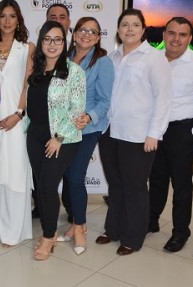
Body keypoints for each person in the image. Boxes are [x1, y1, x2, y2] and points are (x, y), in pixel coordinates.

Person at [95, 8, 171, 256]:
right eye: (124, 24)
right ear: (118, 30)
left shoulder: (153, 57)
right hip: (110, 131)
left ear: (143, 30)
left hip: (139, 136)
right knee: (115, 185)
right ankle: (113, 230)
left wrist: (154, 133)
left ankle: (133, 237)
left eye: (135, 25)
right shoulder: (112, 58)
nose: (129, 29)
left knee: (135, 186)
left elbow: (163, 98)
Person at [148, 17, 193, 253]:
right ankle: (151, 220)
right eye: (172, 33)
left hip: (183, 131)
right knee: (156, 179)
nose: (176, 39)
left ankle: (180, 232)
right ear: (164, 35)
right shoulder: (154, 60)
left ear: (190, 38)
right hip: (156, 130)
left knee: (181, 184)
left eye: (182, 34)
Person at [26, 21, 86, 261]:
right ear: (41, 42)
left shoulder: (74, 72)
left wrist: (58, 137)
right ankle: (49, 230)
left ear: (65, 42)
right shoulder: (36, 70)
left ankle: (48, 236)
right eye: (47, 39)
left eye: (58, 39)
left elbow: (77, 109)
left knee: (49, 185)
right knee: (41, 186)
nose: (52, 44)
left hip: (63, 138)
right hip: (35, 135)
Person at [57, 17, 114, 255]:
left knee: (76, 176)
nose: (87, 34)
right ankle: (75, 224)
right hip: (64, 128)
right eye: (83, 30)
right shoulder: (65, 57)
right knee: (69, 177)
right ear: (74, 32)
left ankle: (80, 228)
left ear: (99, 36)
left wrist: (89, 117)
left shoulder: (103, 62)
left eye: (93, 31)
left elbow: (104, 101)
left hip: (88, 128)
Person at [0, 0, 34, 247]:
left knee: (14, 171)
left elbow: (28, 84)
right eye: (2, 16)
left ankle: (13, 230)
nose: (7, 21)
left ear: (19, 19)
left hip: (15, 119)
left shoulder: (28, 48)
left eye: (12, 16)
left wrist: (19, 113)